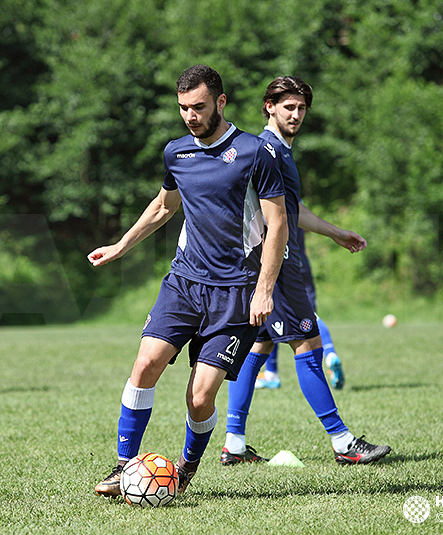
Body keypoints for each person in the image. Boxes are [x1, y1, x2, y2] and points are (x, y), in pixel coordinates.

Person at [87, 65, 288, 497]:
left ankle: (186, 469)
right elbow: (163, 207)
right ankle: (125, 467)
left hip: (236, 294)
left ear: (220, 102)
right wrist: (121, 246)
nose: (190, 116)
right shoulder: (176, 153)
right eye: (183, 108)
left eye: (198, 106)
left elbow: (278, 224)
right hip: (184, 283)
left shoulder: (256, 152)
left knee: (199, 398)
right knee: (144, 365)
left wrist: (265, 288)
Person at [221, 76, 391, 467]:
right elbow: (267, 219)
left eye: (300, 108)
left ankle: (234, 442)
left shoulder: (277, 151)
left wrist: (335, 233)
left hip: (262, 266)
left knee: (257, 349)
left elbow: (291, 213)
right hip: (276, 268)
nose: (295, 115)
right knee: (309, 345)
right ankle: (343, 442)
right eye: (288, 107)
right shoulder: (267, 150)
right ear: (269, 106)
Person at [255, 228, 345, 391]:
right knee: (304, 319)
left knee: (274, 316)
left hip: (280, 266)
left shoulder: (272, 203)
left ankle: (271, 374)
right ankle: (330, 352)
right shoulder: (295, 204)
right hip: (300, 264)